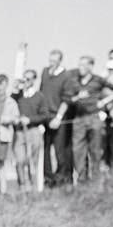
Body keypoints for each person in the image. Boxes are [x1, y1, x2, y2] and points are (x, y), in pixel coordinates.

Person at [49, 56, 113, 182]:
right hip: (79, 119)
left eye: (84, 65)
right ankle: (82, 180)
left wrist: (104, 101)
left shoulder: (99, 80)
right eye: (79, 65)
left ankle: (96, 180)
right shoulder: (74, 81)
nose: (80, 68)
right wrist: (78, 97)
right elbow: (68, 100)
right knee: (78, 151)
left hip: (95, 118)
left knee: (96, 150)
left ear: (91, 66)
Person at [40, 49, 74, 186]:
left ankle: (61, 179)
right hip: (45, 117)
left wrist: (59, 117)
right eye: (50, 60)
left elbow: (66, 99)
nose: (51, 63)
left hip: (58, 117)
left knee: (60, 150)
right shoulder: (44, 72)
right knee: (46, 150)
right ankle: (48, 179)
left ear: (60, 61)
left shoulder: (66, 76)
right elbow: (41, 93)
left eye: (54, 61)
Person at [12, 69, 50, 190]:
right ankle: (22, 186)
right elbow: (10, 104)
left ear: (34, 80)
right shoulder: (18, 96)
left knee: (31, 161)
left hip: (33, 131)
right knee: (20, 160)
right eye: (24, 79)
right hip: (19, 132)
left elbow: (45, 115)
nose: (26, 82)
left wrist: (30, 119)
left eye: (28, 79)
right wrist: (15, 88)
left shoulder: (39, 96)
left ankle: (31, 186)